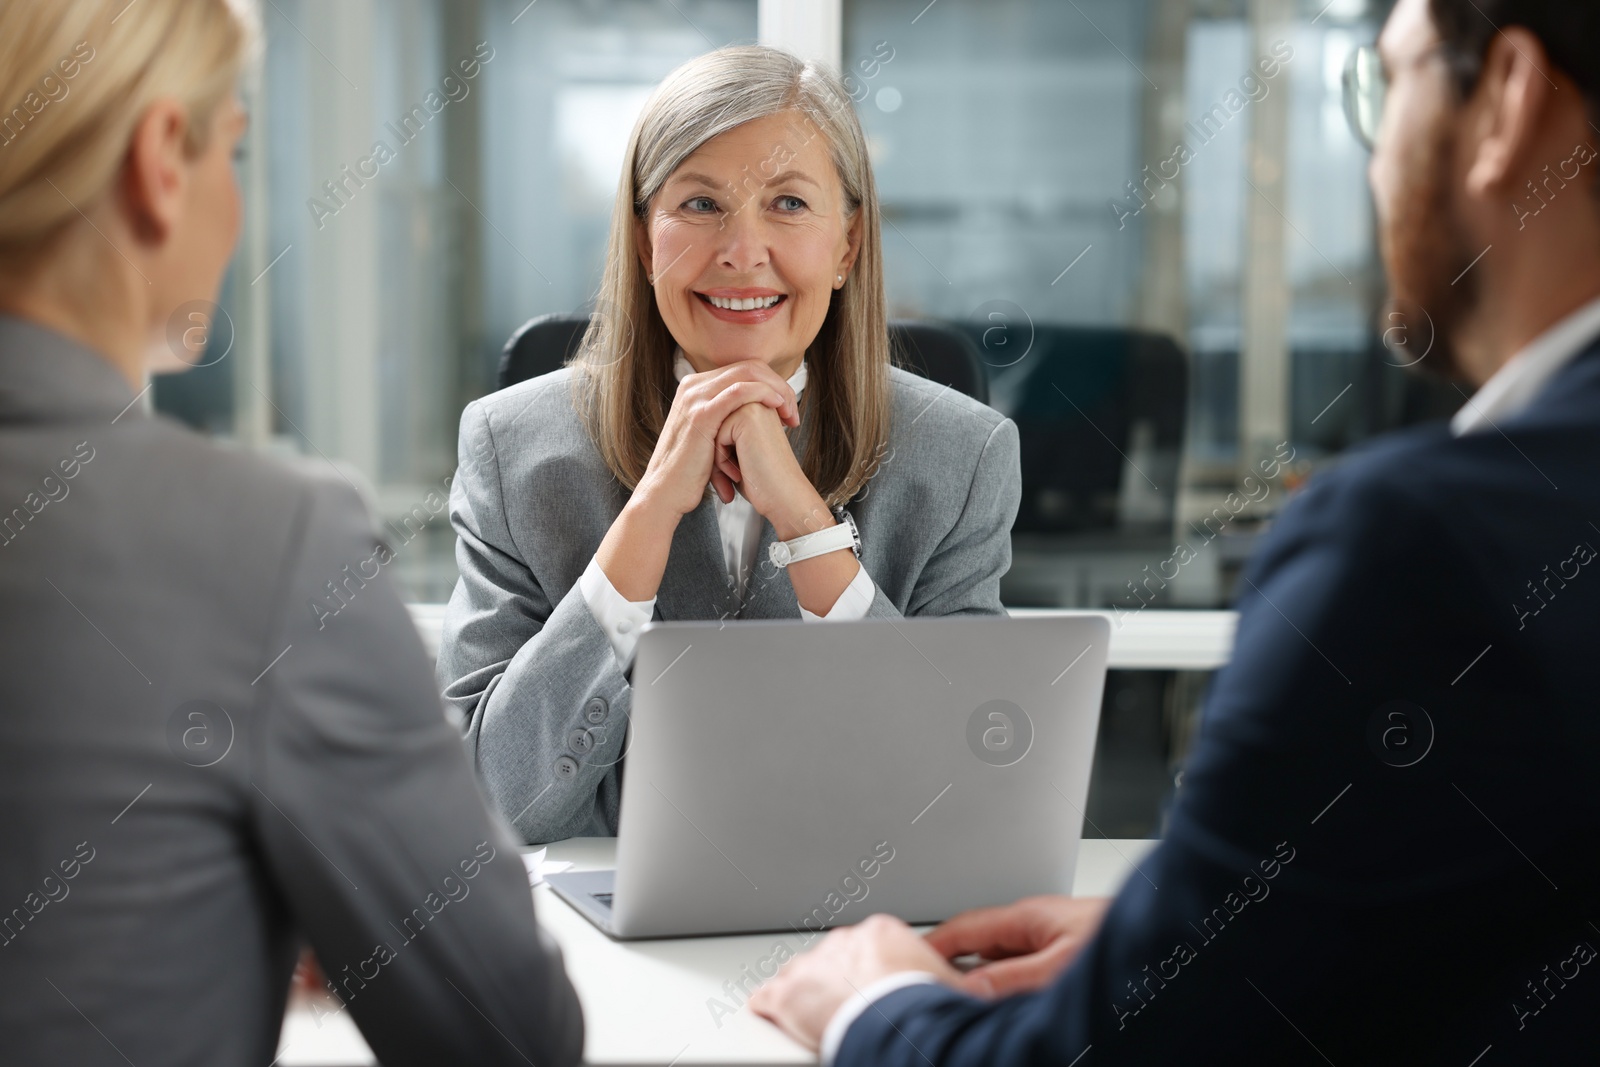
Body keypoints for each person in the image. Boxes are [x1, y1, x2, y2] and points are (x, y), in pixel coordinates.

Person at [751, 0, 1600, 1062]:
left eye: (1382, 86)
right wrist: (1217, 933)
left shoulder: (1418, 543)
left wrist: (869, 1006)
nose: (1375, 159)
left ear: (1508, 99)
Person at [0, 2, 581, 1065]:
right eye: (236, 147)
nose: (240, 198)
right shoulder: (263, 541)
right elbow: (510, 1039)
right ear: (158, 161)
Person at [438, 45, 1023, 846]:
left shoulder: (962, 457)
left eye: (787, 203)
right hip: (601, 944)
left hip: (852, 929)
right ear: (646, 241)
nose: (742, 252)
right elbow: (486, 807)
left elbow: (967, 796)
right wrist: (643, 524)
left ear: (847, 244)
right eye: (702, 205)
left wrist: (808, 527)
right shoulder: (513, 450)